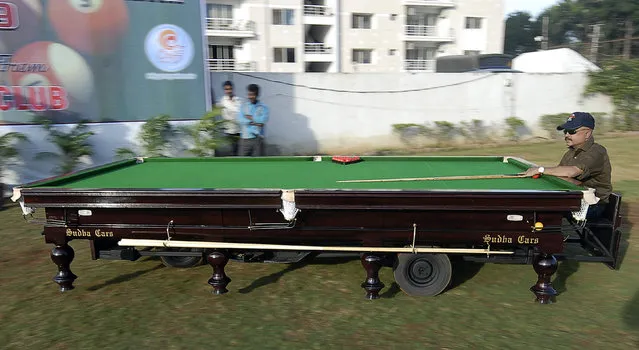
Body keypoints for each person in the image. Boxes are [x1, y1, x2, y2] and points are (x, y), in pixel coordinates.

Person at [523, 112, 612, 220]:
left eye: (571, 131)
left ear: (587, 133)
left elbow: (572, 172)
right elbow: (561, 175)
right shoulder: (570, 153)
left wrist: (540, 170)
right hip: (575, 198)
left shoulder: (596, 152)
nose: (566, 135)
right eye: (565, 131)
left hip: (593, 205)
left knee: (541, 210)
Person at [238, 84, 269, 156]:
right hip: (245, 138)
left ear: (257, 95)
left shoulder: (263, 107)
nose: (250, 97)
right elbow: (240, 119)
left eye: (253, 95)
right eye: (249, 94)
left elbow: (262, 121)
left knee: (258, 163)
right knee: (242, 163)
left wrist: (250, 117)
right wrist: (253, 121)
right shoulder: (244, 106)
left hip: (257, 139)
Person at [218, 81, 241, 156]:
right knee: (232, 150)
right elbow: (224, 115)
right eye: (226, 89)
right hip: (229, 129)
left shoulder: (238, 100)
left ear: (232, 89)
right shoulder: (222, 101)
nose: (229, 91)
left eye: (230, 89)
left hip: (239, 129)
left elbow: (240, 112)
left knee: (239, 150)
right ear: (224, 90)